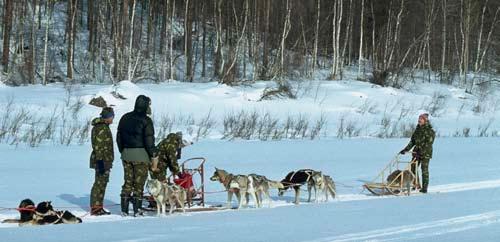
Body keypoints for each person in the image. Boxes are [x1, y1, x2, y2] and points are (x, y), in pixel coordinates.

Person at [117, 95, 157, 216]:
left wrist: (123, 151)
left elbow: (119, 138)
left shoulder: (124, 117)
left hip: (126, 155)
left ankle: (124, 210)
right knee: (138, 184)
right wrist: (153, 155)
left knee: (127, 182)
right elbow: (149, 141)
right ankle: (137, 210)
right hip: (141, 156)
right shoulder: (146, 120)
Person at [400, 113, 435, 193]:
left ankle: (424, 188)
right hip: (416, 152)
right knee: (413, 168)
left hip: (426, 154)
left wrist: (421, 151)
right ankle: (417, 184)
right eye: (419, 119)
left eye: (421, 119)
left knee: (424, 170)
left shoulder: (430, 131)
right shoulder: (417, 130)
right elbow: (412, 141)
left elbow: (429, 143)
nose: (419, 120)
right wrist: (405, 149)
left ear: (425, 121)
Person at [89, 107, 115, 216]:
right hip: (102, 160)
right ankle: (96, 208)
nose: (113, 118)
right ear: (108, 117)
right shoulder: (102, 128)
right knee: (99, 184)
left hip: (105, 160)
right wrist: (100, 162)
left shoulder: (102, 127)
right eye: (112, 116)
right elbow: (99, 146)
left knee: (102, 183)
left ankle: (99, 206)